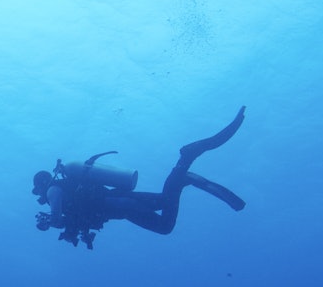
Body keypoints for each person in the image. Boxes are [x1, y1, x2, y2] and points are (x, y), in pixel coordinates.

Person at [32, 106, 246, 249]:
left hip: (121, 207)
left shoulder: (53, 190)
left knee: (164, 227)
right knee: (164, 200)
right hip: (121, 198)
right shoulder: (69, 185)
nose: (40, 194)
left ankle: (183, 171)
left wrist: (49, 223)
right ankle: (183, 166)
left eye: (38, 190)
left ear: (42, 184)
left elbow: (58, 217)